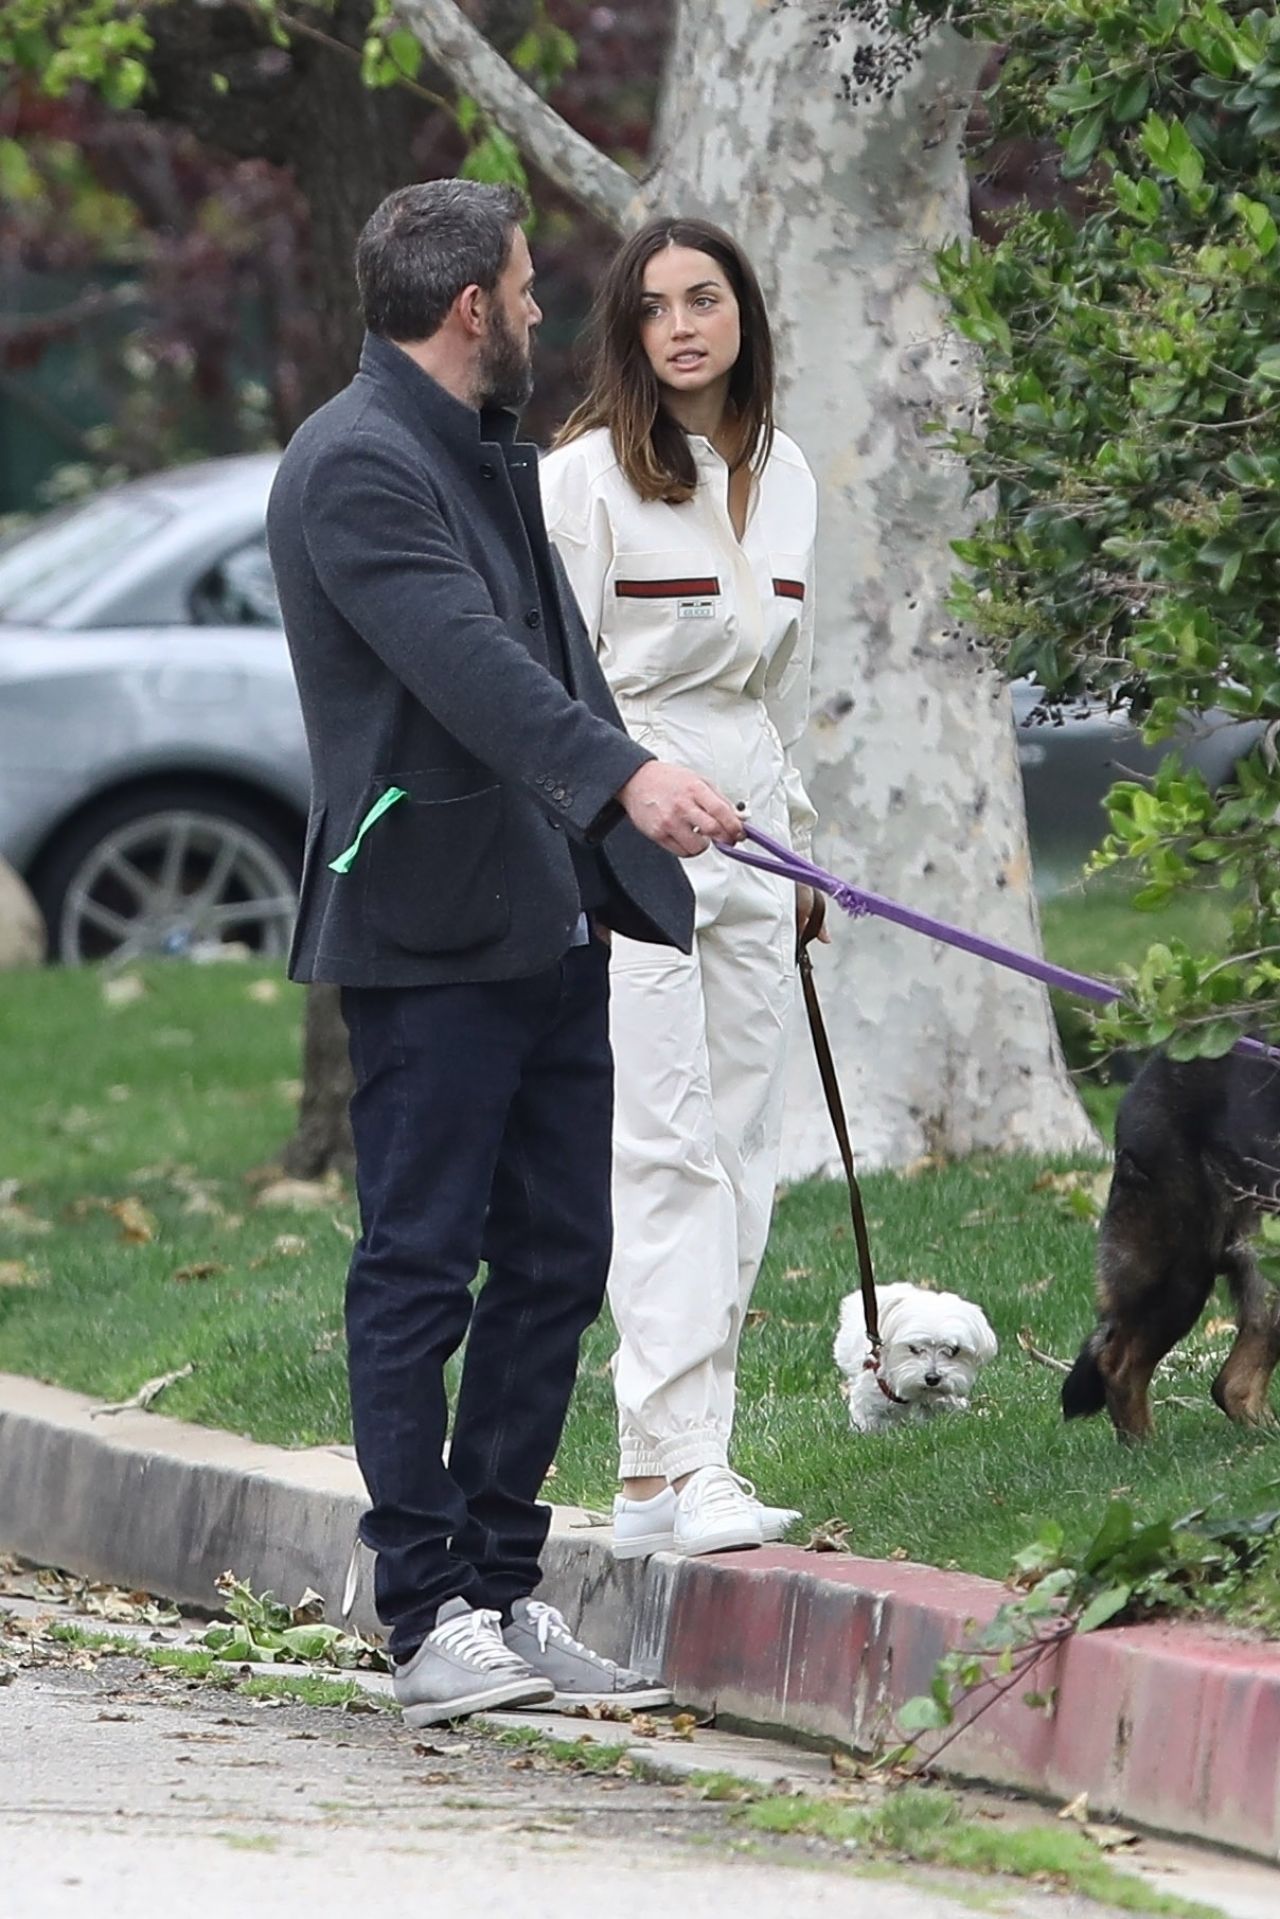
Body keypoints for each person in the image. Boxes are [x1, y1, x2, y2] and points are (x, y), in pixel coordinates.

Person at [266, 180, 745, 1728]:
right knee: (420, 1268)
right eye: (531, 292)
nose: (544, 314)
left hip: (541, 911)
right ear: (472, 305)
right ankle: (422, 1614)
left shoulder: (483, 454)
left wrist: (635, 806)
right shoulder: (355, 464)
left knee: (557, 1260)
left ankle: (498, 1580)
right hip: (422, 934)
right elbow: (468, 669)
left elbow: (557, 659)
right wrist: (621, 776)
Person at [541, 217, 825, 1561]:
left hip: (759, 837)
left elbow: (785, 690)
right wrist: (610, 809)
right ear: (629, 334)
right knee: (663, 1145)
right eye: (656, 308)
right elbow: (556, 682)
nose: (685, 326)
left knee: (749, 1149)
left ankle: (676, 1473)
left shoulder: (792, 476)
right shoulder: (584, 480)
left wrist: (803, 840)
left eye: (705, 298)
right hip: (633, 831)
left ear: (741, 313)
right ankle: (670, 1462)